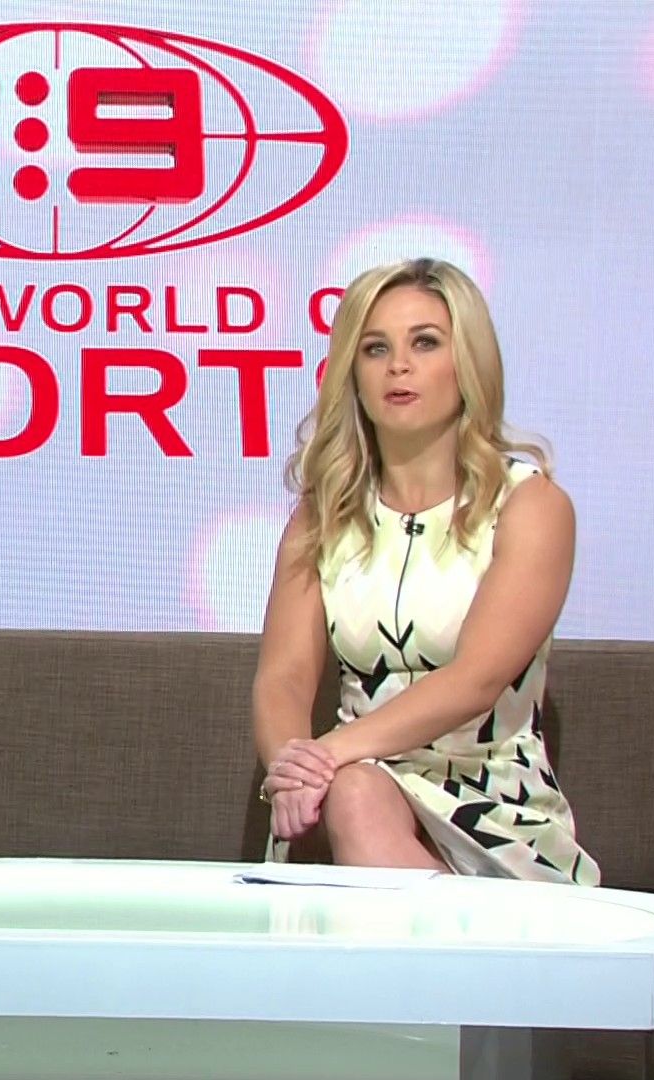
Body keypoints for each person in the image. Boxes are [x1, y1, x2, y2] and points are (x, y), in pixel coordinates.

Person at [252, 257, 598, 885]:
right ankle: (468, 942)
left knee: (351, 784)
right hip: (354, 785)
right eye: (375, 348)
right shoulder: (322, 515)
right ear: (352, 374)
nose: (398, 366)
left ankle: (470, 930)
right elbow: (284, 676)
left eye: (425, 343)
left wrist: (327, 753)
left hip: (493, 799)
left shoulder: (530, 506)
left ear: (468, 364)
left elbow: (475, 680)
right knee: (356, 793)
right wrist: (293, 770)